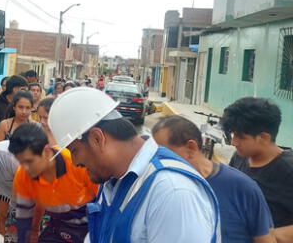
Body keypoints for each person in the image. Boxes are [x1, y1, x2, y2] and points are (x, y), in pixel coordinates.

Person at [47, 87, 220, 243]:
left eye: (74, 151)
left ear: (97, 139)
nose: (75, 163)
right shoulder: (111, 183)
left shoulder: (173, 192)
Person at [153, 115, 275, 243]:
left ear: (191, 148)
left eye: (163, 154)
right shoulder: (160, 187)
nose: (156, 161)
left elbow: (266, 239)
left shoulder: (242, 188)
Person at [9, 123, 98, 242]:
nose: (25, 168)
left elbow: (104, 206)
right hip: (58, 224)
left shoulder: (77, 163)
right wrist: (33, 233)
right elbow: (25, 221)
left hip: (90, 226)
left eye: (29, 161)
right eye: (21, 162)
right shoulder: (23, 176)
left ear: (46, 151)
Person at [222, 97, 293, 242]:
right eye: (233, 134)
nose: (234, 142)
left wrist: (264, 235)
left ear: (264, 137)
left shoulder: (288, 170)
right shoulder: (240, 157)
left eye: (240, 136)